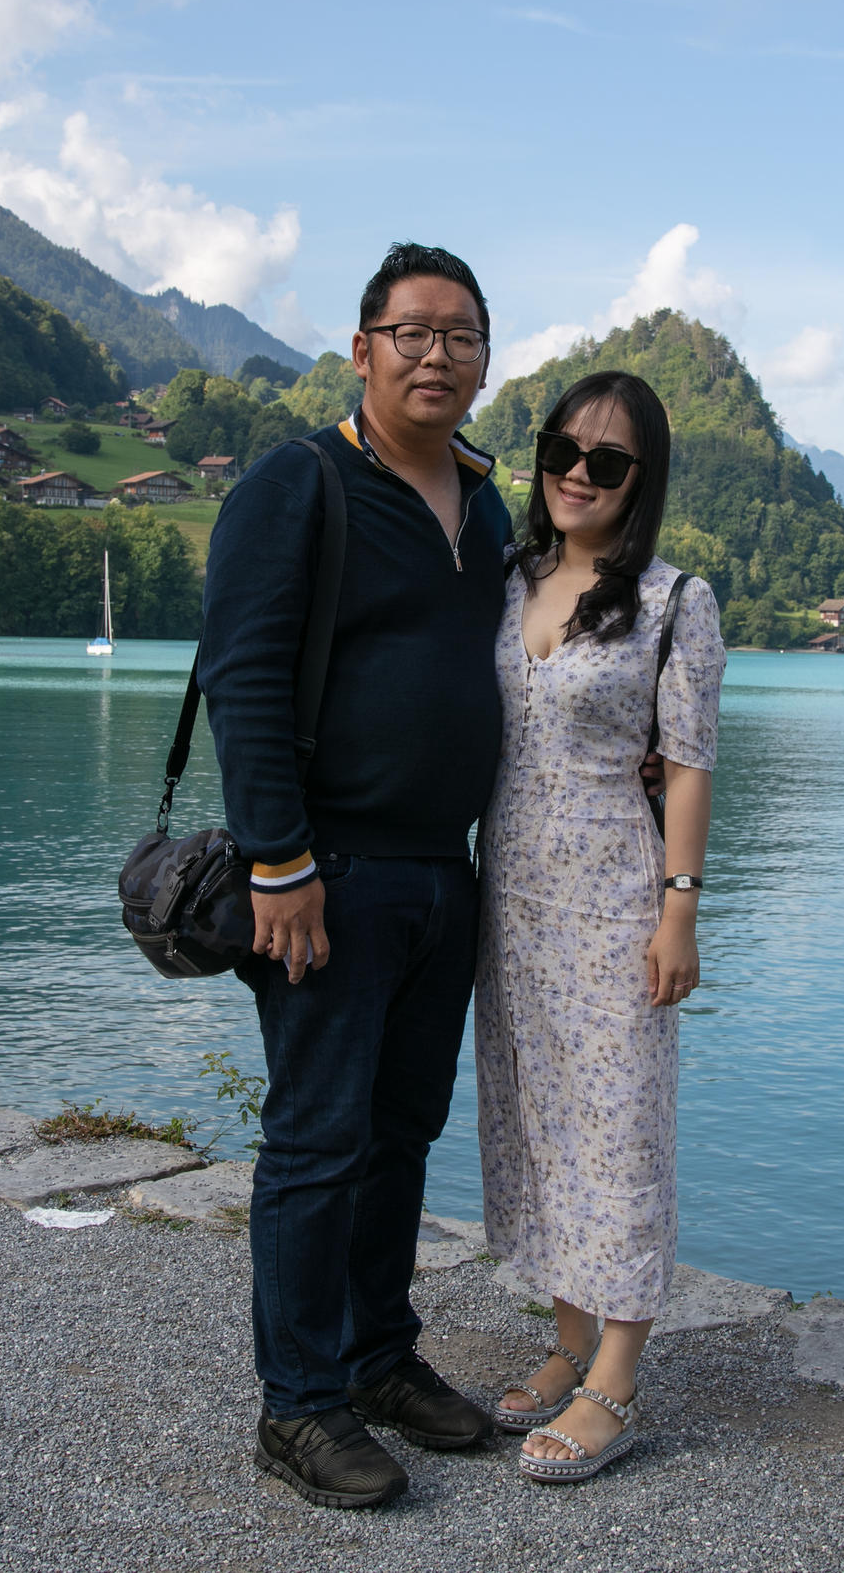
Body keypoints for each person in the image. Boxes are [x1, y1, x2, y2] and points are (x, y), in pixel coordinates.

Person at [198, 243, 515, 1508]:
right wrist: (278, 860)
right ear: (362, 348)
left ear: (487, 359)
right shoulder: (302, 481)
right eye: (413, 332)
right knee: (318, 1141)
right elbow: (246, 674)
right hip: (325, 871)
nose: (436, 355)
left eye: (462, 335)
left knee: (399, 1134)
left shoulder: (485, 505)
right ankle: (299, 1405)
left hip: (446, 874)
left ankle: (381, 1357)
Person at [475, 370, 726, 1483]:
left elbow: (686, 768)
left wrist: (680, 908)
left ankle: (617, 1374)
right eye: (562, 448)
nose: (578, 472)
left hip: (617, 900)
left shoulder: (677, 602)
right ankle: (568, 1333)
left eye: (608, 461)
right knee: (540, 1117)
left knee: (618, 1128)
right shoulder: (510, 577)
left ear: (642, 481)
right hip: (509, 900)